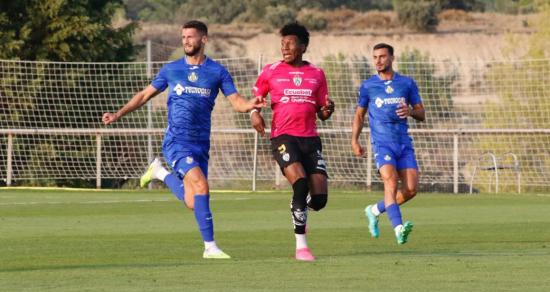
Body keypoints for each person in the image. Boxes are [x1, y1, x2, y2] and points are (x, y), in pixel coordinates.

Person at [102, 20, 265, 259]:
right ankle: (210, 247)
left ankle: (159, 173)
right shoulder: (171, 69)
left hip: (201, 144)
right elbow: (145, 95)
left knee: (193, 201)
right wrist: (118, 113)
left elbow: (237, 102)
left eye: (191, 36)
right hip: (176, 142)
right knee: (201, 186)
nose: (186, 41)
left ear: (204, 39)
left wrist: (250, 105)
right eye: (183, 37)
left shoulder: (217, 72)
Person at [251, 22, 335, 261]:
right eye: (282, 44)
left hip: (310, 139)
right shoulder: (270, 71)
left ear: (303, 47)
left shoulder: (317, 74)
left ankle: (299, 209)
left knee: (319, 200)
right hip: (283, 137)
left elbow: (323, 113)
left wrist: (329, 109)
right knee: (299, 183)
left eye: (290, 43)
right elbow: (255, 101)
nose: (285, 47)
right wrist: (254, 114)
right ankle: (301, 247)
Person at [351, 43, 426, 245]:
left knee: (411, 190)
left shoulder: (407, 83)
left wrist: (410, 111)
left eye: (382, 56)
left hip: (403, 143)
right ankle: (398, 229)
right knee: (390, 182)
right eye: (375, 57)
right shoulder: (368, 86)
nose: (378, 61)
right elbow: (359, 115)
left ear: (392, 58)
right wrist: (354, 140)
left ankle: (374, 210)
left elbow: (421, 113)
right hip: (382, 144)